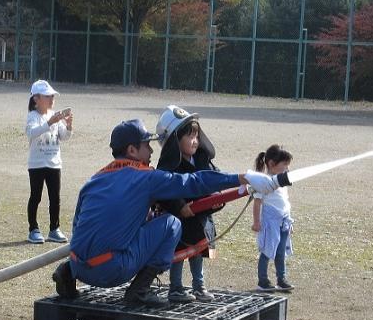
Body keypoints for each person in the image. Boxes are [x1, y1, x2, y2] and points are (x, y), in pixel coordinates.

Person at [52, 118, 282, 307]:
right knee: (171, 224)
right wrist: (245, 177)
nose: (152, 150)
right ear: (132, 150)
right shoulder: (146, 177)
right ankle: (139, 293)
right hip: (112, 270)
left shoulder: (94, 180)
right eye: (146, 145)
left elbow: (78, 227)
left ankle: (66, 272)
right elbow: (194, 181)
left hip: (79, 266)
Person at [155, 105, 221, 303]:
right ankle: (176, 287)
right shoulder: (168, 166)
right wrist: (180, 206)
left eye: (196, 136)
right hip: (181, 221)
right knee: (180, 252)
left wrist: (217, 197)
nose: (194, 141)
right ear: (175, 139)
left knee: (199, 251)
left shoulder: (202, 158)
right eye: (189, 136)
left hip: (201, 217)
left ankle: (199, 286)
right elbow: (165, 191)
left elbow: (214, 177)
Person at [25, 79, 74, 244]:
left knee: (55, 197)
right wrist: (49, 122)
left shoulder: (55, 117)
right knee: (36, 197)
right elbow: (31, 133)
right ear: (36, 99)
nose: (52, 99)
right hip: (37, 164)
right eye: (47, 96)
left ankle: (54, 229)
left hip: (54, 163)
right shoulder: (32, 116)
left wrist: (68, 126)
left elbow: (64, 137)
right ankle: (33, 229)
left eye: (53, 96)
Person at [251, 144, 295, 292]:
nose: (287, 169)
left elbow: (285, 202)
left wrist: (289, 222)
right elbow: (257, 203)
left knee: (281, 252)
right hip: (270, 221)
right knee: (267, 250)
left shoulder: (282, 183)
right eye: (285, 165)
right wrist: (256, 222)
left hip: (283, 221)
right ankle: (263, 281)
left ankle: (281, 279)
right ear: (271, 164)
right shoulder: (263, 182)